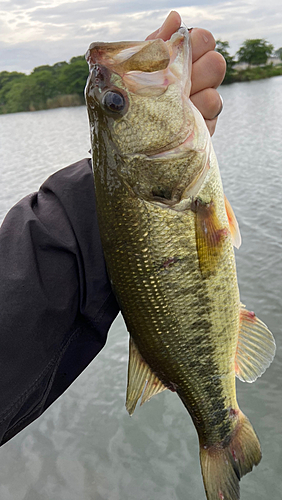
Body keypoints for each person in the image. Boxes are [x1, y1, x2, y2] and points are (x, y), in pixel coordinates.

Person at [0, 11, 226, 446]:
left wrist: (99, 198)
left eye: (114, 103)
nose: (114, 96)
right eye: (116, 105)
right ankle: (219, 433)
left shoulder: (158, 184)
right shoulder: (163, 185)